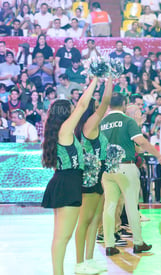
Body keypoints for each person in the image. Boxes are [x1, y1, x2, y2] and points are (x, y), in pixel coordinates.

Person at [41, 76, 98, 275]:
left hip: (65, 181)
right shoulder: (65, 130)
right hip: (67, 183)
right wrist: (95, 79)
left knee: (61, 236)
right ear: (66, 113)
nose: (75, 109)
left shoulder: (64, 132)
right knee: (62, 237)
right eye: (71, 108)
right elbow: (83, 105)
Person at [100, 92, 161, 256]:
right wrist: (158, 156)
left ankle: (109, 244)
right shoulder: (127, 121)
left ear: (109, 105)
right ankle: (138, 242)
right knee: (131, 205)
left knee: (109, 205)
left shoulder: (102, 122)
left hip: (107, 168)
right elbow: (141, 142)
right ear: (124, 104)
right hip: (125, 166)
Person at [73, 76, 112, 274]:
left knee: (95, 220)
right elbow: (106, 102)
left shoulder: (92, 125)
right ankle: (80, 263)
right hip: (88, 178)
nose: (100, 109)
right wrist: (110, 78)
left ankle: (89, 259)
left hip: (98, 176)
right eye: (96, 106)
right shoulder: (89, 124)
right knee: (85, 221)